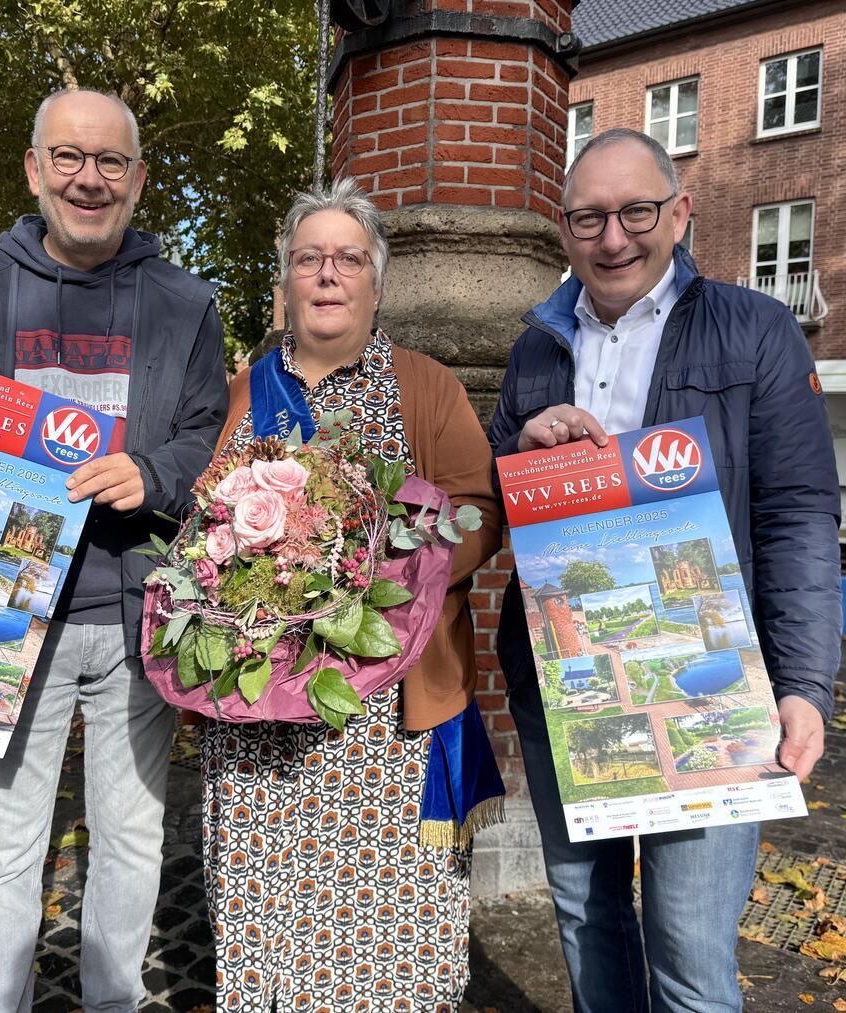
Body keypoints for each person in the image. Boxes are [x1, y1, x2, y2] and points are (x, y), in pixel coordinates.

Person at [0, 89, 228, 1012]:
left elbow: (209, 439)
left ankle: (112, 1001)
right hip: (2, 618)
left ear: (138, 179)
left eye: (110, 162)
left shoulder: (186, 304)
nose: (88, 179)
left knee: (131, 841)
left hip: (136, 617)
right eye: (68, 157)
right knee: (5, 847)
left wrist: (155, 472)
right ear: (33, 169)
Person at [488, 127, 841, 1013]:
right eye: (589, 218)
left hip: (714, 688)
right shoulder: (535, 347)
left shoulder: (756, 330)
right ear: (564, 229)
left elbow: (798, 515)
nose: (613, 238)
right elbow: (496, 498)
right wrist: (518, 449)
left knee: (688, 951)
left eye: (636, 212)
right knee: (586, 915)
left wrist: (804, 683)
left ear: (679, 214)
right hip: (566, 684)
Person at [202, 179, 503, 1010]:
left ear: (377, 282)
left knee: (392, 941)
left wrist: (381, 580)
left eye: (349, 258)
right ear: (286, 280)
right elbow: (203, 519)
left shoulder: (425, 385)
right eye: (309, 259)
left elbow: (478, 510)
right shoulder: (245, 391)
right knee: (269, 920)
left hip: (386, 718)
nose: (328, 274)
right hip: (261, 713)